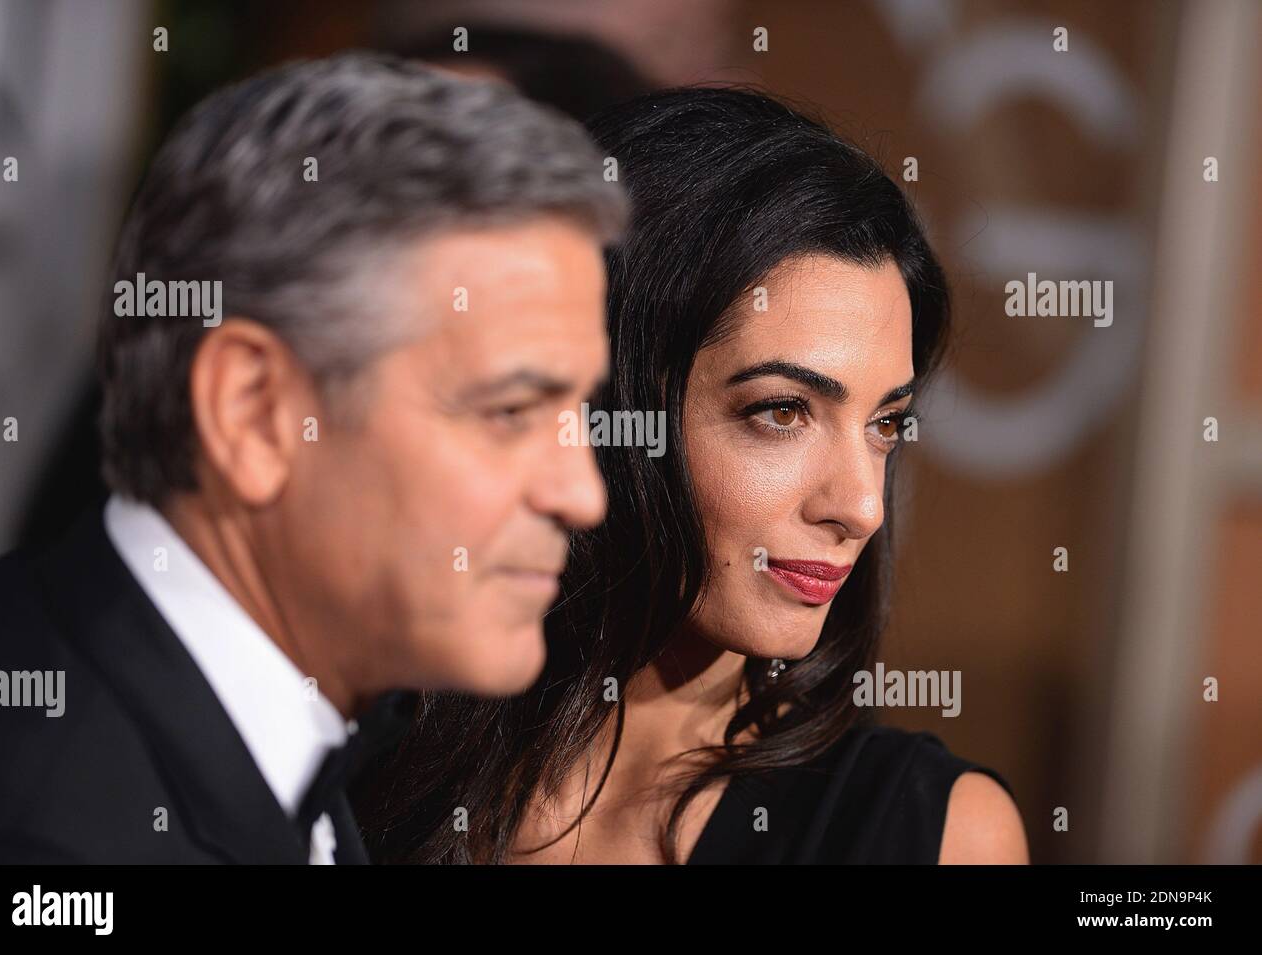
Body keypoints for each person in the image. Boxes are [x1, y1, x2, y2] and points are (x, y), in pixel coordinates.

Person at [0, 52, 625, 864]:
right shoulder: (45, 837)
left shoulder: (272, 729)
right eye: (510, 411)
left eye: (579, 412)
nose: (582, 492)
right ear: (255, 412)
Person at [357, 87, 1029, 865]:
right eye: (782, 412)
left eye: (886, 425)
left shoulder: (926, 833)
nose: (861, 505)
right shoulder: (362, 760)